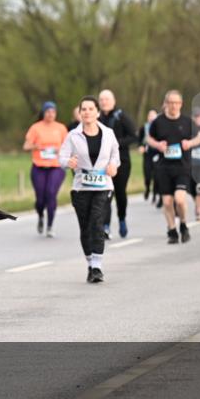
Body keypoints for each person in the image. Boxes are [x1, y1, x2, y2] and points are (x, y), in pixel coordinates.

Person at [59, 96, 120, 283]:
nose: (87, 112)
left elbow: (115, 155)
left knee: (97, 222)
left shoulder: (108, 133)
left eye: (91, 109)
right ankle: (90, 263)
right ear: (80, 113)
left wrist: (113, 166)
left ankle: (97, 267)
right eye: (83, 109)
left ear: (97, 112)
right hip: (81, 187)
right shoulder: (73, 135)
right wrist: (68, 162)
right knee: (85, 227)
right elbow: (62, 157)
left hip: (103, 185)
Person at [147, 90, 200, 244]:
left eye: (177, 103)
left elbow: (199, 137)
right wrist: (158, 145)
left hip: (182, 167)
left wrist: (190, 143)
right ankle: (172, 231)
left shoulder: (187, 121)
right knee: (167, 202)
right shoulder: (158, 122)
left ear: (181, 104)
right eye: (171, 103)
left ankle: (183, 224)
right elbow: (149, 138)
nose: (173, 106)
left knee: (179, 199)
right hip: (164, 167)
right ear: (166, 103)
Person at [23, 101, 68, 237]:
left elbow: (68, 146)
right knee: (40, 198)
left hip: (56, 166)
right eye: (48, 111)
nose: (50, 114)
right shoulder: (36, 128)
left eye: (53, 112)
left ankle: (50, 226)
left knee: (51, 193)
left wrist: (60, 150)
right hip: (39, 166)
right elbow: (26, 146)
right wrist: (35, 146)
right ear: (43, 113)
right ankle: (41, 215)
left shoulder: (61, 128)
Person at [98, 90, 139, 239]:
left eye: (107, 99)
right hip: (102, 163)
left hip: (122, 161)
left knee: (120, 193)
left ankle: (122, 218)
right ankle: (105, 226)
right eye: (102, 99)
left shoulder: (121, 116)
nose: (104, 102)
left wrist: (116, 143)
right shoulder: (97, 118)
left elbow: (134, 136)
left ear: (113, 101)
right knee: (105, 193)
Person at [139, 109, 161, 207]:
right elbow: (139, 140)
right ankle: (147, 188)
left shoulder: (160, 127)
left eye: (153, 115)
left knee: (157, 176)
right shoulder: (144, 127)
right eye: (150, 115)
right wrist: (140, 146)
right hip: (147, 154)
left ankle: (155, 195)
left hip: (157, 154)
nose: (151, 117)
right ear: (147, 117)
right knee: (147, 175)